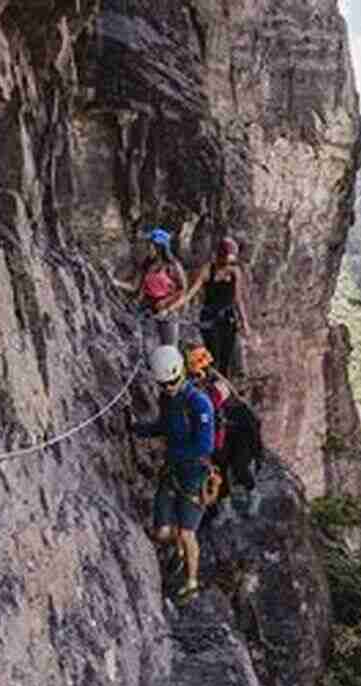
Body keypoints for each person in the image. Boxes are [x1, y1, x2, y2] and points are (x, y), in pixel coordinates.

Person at [131, 345, 215, 599]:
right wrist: (138, 429)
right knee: (162, 532)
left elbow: (205, 445)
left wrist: (174, 454)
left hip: (194, 475)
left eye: (172, 382)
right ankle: (177, 551)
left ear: (181, 374)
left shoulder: (199, 404)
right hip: (173, 471)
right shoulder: (168, 399)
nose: (168, 388)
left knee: (187, 532)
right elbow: (164, 426)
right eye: (164, 384)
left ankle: (191, 582)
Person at [184, 344, 263, 524]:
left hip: (241, 428)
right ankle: (226, 508)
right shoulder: (202, 383)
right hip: (223, 428)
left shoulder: (219, 384)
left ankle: (253, 494)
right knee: (219, 467)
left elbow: (210, 404)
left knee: (239, 465)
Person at [175, 236, 250, 377]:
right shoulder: (208, 270)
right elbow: (191, 293)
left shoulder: (235, 272)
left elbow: (237, 299)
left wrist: (244, 322)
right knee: (213, 354)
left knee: (226, 358)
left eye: (231, 258)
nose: (229, 261)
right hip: (210, 318)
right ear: (220, 255)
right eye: (227, 257)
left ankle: (223, 388)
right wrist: (173, 307)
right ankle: (210, 382)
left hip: (228, 318)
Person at [108, 227, 187, 347]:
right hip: (147, 308)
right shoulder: (146, 265)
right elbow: (134, 286)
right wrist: (116, 283)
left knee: (169, 348)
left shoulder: (173, 266)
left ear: (159, 246)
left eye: (150, 244)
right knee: (147, 345)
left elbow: (182, 290)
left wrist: (167, 306)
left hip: (167, 311)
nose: (147, 247)